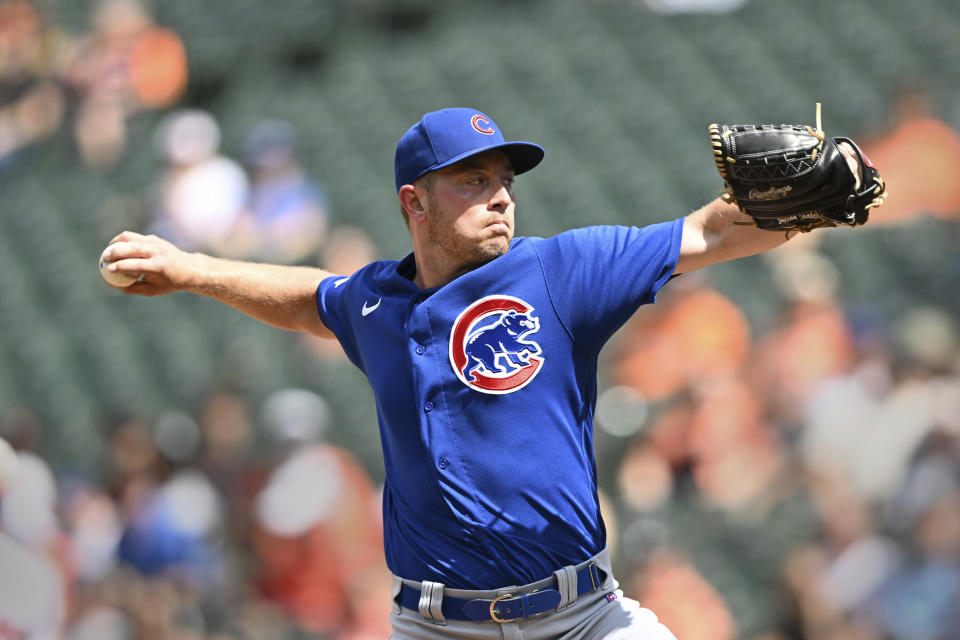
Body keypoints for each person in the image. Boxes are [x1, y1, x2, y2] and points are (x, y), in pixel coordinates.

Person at [101, 107, 867, 639]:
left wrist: (796, 208)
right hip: (435, 626)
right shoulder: (375, 303)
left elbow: (705, 234)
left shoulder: (562, 271)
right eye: (472, 181)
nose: (500, 196)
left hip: (584, 619)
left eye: (505, 179)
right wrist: (193, 269)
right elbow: (309, 299)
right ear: (416, 203)